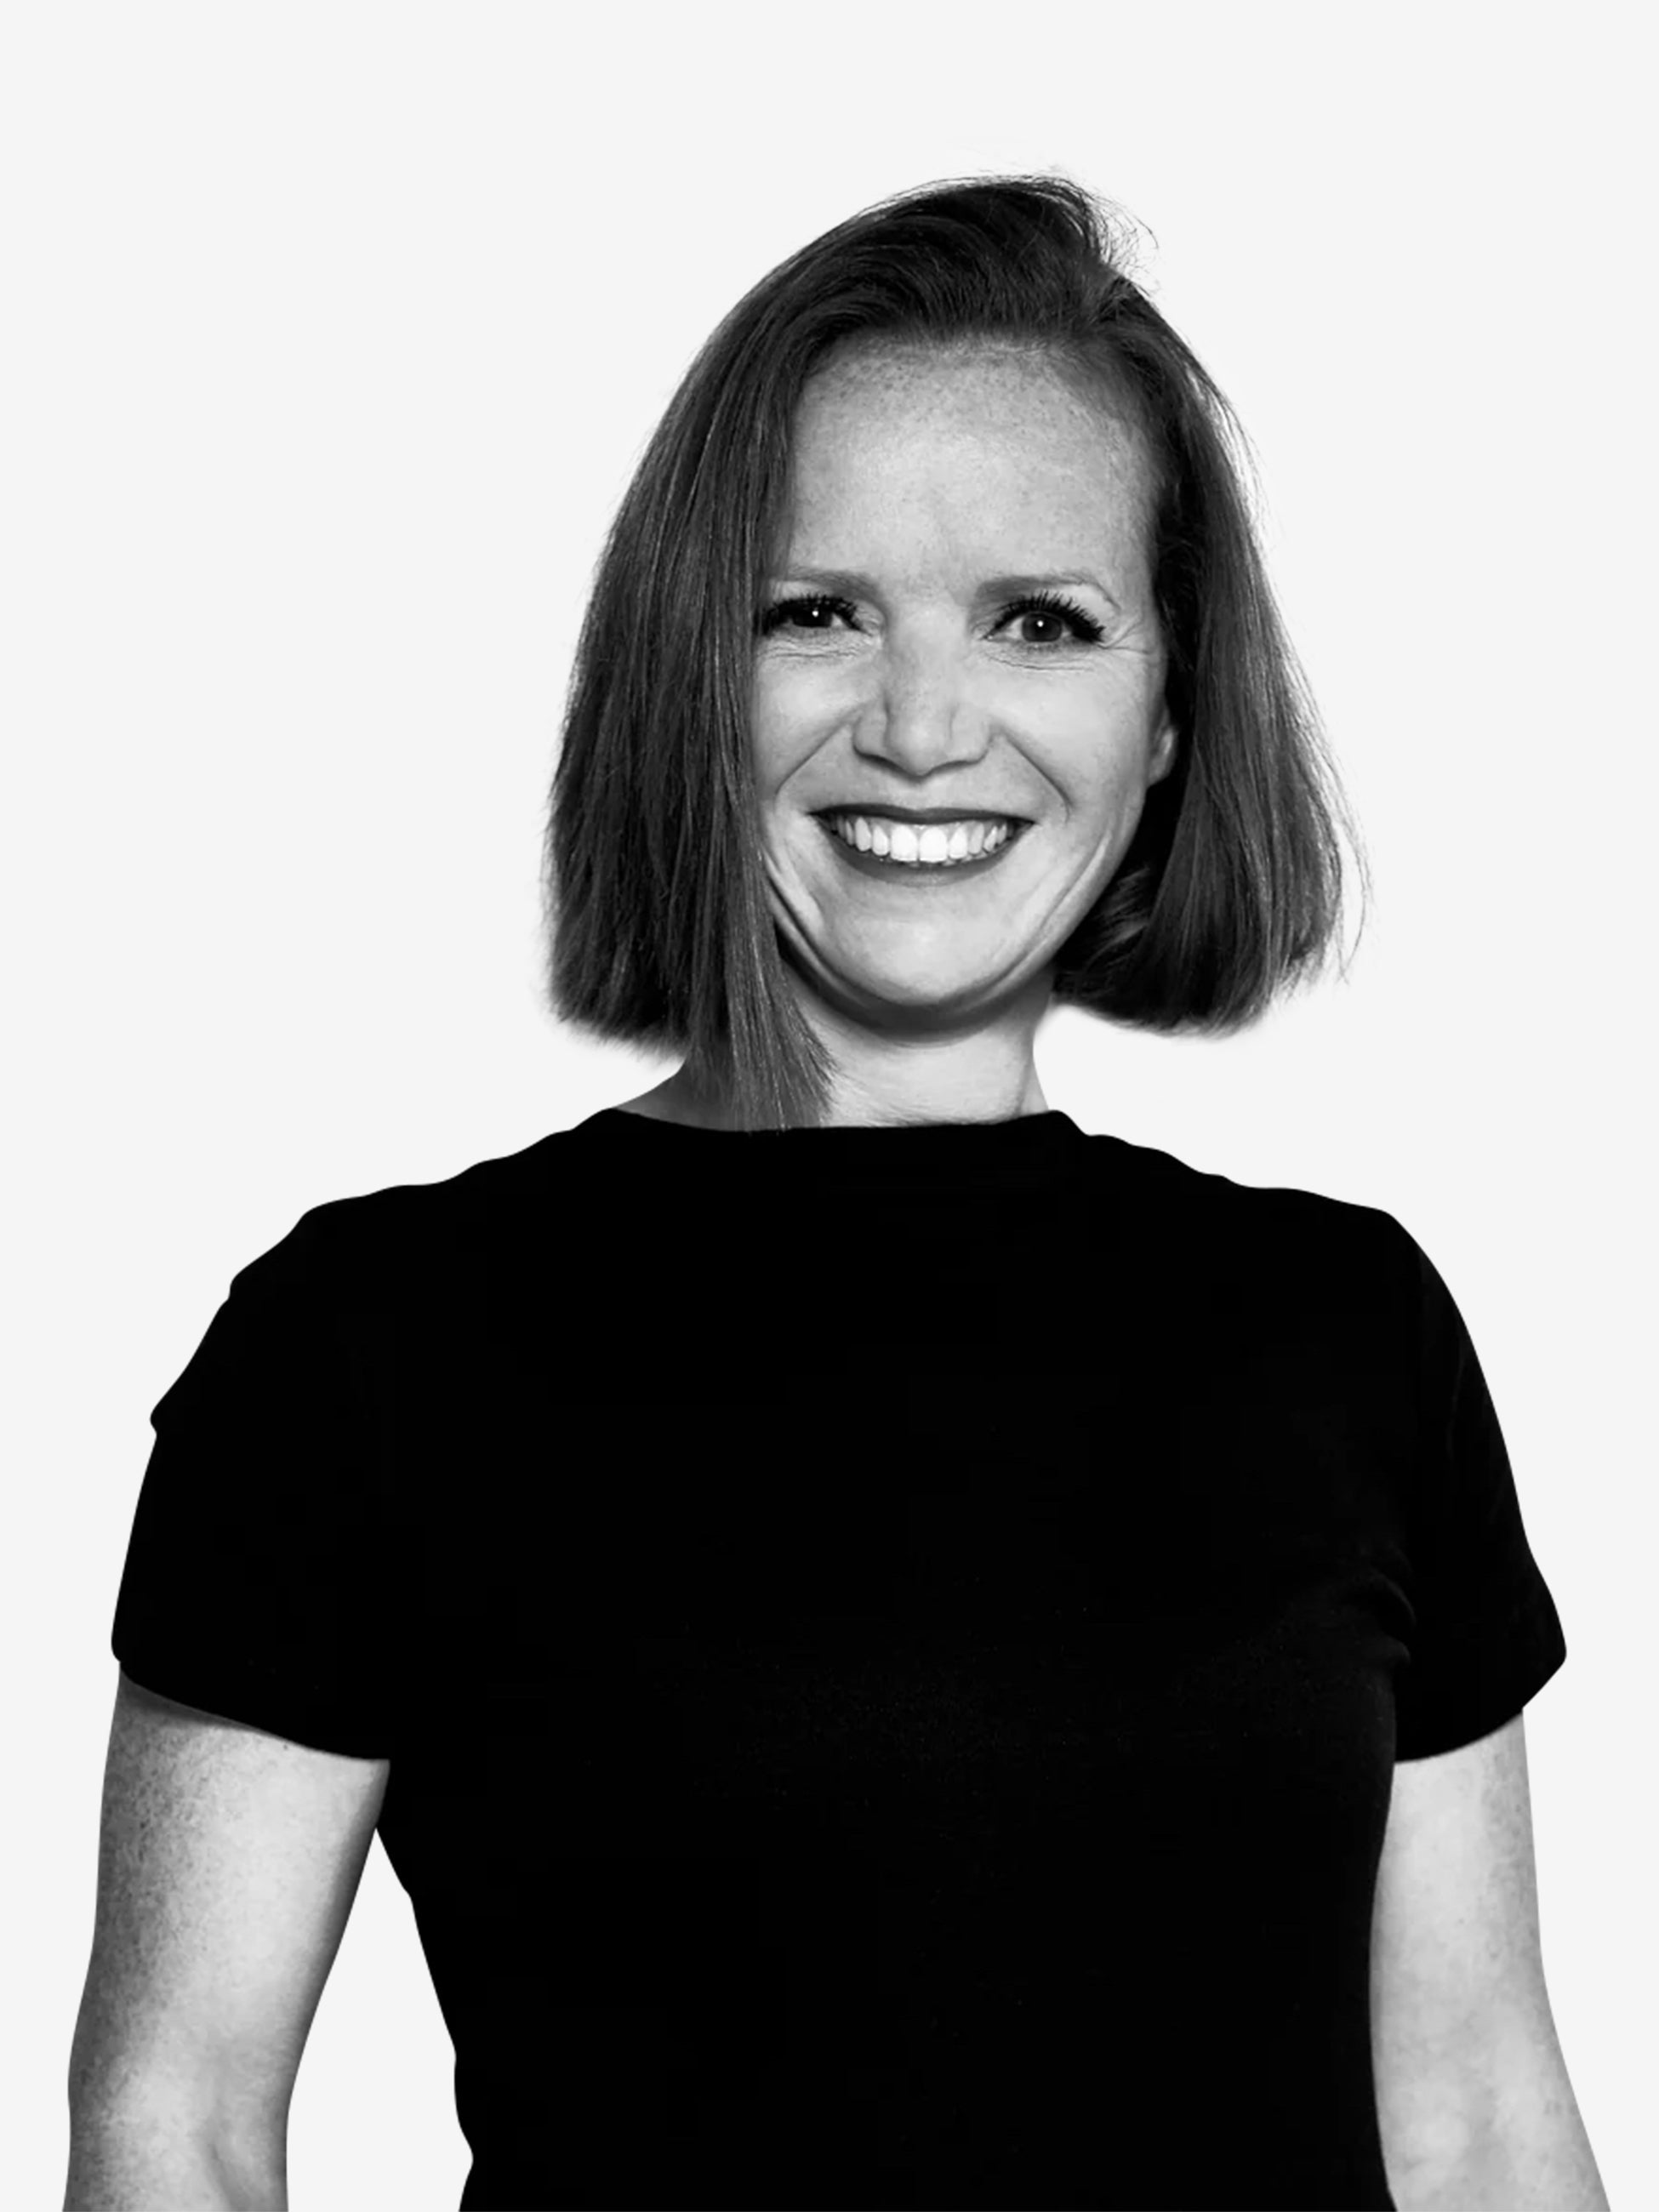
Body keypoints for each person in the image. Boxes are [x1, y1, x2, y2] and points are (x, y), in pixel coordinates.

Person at [66, 174, 1605, 2211]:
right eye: (816, 612)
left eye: (1043, 621)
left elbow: (1479, 2120)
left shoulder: (1348, 1327)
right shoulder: (369, 1344)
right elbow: (174, 2128)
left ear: (1168, 715)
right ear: (688, 681)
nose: (925, 724)